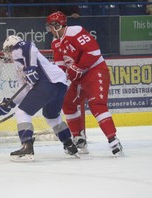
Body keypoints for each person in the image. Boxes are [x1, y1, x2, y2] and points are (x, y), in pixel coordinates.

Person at [46, 11, 124, 156]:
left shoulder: (75, 31)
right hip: (77, 77)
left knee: (97, 105)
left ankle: (113, 140)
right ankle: (79, 138)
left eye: (50, 26)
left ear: (58, 25)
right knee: (67, 103)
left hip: (94, 71)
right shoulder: (55, 42)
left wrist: (78, 67)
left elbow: (93, 52)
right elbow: (60, 66)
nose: (49, 30)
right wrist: (57, 81)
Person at [0, 35, 79, 161]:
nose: (8, 54)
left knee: (22, 113)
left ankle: (27, 146)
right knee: (52, 117)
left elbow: (28, 45)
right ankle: (69, 144)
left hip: (48, 83)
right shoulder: (18, 66)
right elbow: (26, 89)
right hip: (59, 86)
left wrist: (30, 68)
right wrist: (10, 103)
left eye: (8, 50)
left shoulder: (20, 49)